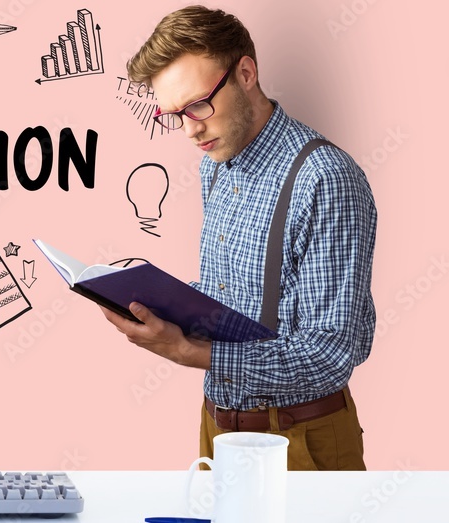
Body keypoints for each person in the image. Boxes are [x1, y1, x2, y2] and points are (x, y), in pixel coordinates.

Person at [106, 5, 377, 470]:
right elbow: (232, 300)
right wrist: (155, 302)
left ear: (246, 73)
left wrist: (191, 351)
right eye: (173, 114)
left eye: (196, 105)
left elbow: (331, 353)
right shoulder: (216, 166)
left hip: (298, 439)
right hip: (216, 429)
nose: (189, 130)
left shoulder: (325, 179)